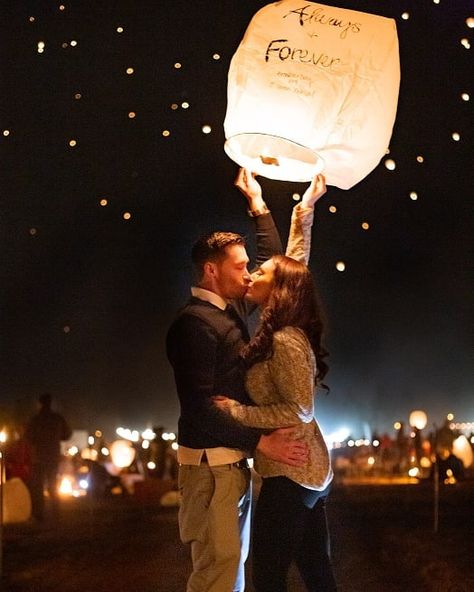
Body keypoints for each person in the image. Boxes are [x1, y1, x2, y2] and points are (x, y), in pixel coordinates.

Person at [166, 168, 326, 592]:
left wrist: (259, 206)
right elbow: (201, 407)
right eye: (240, 268)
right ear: (211, 271)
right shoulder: (193, 324)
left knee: (232, 570)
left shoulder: (230, 313)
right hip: (210, 465)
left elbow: (280, 270)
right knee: (220, 571)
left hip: (231, 463)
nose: (250, 274)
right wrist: (262, 441)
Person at [213, 180, 337, 591]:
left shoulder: (282, 335)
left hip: (291, 471)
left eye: (259, 272)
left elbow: (301, 409)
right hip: (305, 470)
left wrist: (236, 412)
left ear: (278, 289)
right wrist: (301, 210)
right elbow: (290, 265)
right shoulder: (278, 325)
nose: (250, 275)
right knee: (317, 575)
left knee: (268, 577)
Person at [25, 392, 72, 521]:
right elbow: (67, 434)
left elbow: (28, 437)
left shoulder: (35, 420)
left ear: (40, 403)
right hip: (52, 456)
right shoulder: (57, 419)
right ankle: (55, 513)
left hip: (39, 457)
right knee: (52, 485)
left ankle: (39, 514)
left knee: (38, 487)